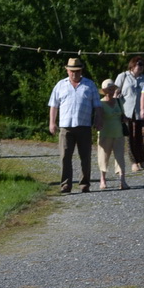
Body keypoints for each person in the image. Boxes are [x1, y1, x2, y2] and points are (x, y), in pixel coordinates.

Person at [48, 57, 103, 193]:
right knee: (65, 156)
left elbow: (98, 106)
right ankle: (65, 184)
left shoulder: (89, 85)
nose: (74, 73)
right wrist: (52, 122)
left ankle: (84, 183)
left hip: (84, 126)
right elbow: (54, 106)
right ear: (67, 70)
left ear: (81, 70)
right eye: (72, 71)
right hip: (66, 127)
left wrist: (99, 120)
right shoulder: (60, 85)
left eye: (77, 71)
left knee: (85, 156)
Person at [114, 55, 144, 172]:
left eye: (142, 65)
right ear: (133, 65)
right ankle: (134, 162)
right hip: (128, 112)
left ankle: (143, 159)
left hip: (143, 112)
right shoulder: (123, 76)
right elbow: (115, 93)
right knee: (132, 139)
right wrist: (117, 110)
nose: (141, 67)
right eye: (139, 64)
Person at [96, 79, 129, 190]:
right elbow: (98, 116)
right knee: (103, 157)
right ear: (104, 91)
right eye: (108, 90)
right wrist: (98, 123)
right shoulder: (100, 103)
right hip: (105, 133)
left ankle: (122, 180)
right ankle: (103, 180)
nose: (111, 91)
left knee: (120, 157)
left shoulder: (118, 101)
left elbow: (122, 115)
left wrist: (125, 119)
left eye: (112, 89)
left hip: (118, 133)